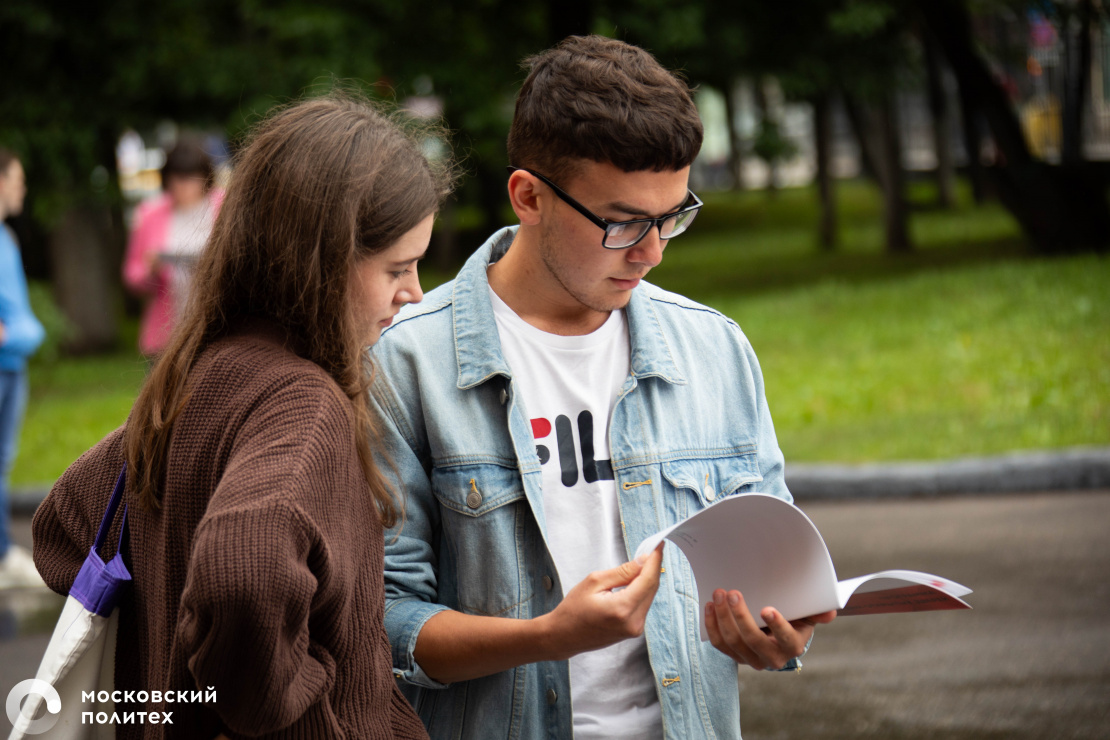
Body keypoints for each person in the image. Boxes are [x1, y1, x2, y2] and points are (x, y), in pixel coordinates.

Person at [369, 35, 835, 740]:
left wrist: (779, 633)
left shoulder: (713, 349)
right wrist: (548, 636)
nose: (651, 251)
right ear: (529, 196)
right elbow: (385, 623)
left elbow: (776, 563)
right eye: (622, 222)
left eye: (672, 217)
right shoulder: (407, 363)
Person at [33, 95, 450, 739]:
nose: (415, 291)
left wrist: (174, 681)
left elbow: (63, 526)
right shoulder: (303, 404)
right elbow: (243, 572)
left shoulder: (196, 372)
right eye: (398, 267)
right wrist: (283, 704)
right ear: (321, 262)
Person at [123, 138, 225, 358]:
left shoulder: (225, 206)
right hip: (169, 329)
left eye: (190, 179)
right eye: (176, 179)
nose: (182, 186)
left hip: (219, 326)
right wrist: (151, 269)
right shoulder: (150, 214)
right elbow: (133, 275)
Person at [0, 147, 46, 589]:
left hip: (12, 365)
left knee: (2, 462)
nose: (23, 188)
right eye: (17, 178)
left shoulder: (7, 240)